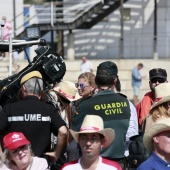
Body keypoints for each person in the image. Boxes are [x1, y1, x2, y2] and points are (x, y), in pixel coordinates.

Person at [72, 61, 131, 169]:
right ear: (115, 80)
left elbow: (74, 133)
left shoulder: (86, 104)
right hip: (119, 163)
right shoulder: (125, 102)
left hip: (95, 164)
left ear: (95, 80)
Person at [0, 71, 67, 163]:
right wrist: (56, 154)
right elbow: (63, 131)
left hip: (15, 164)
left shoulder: (9, 109)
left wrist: (1, 156)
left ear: (24, 89)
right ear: (41, 89)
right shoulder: (49, 110)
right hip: (41, 164)